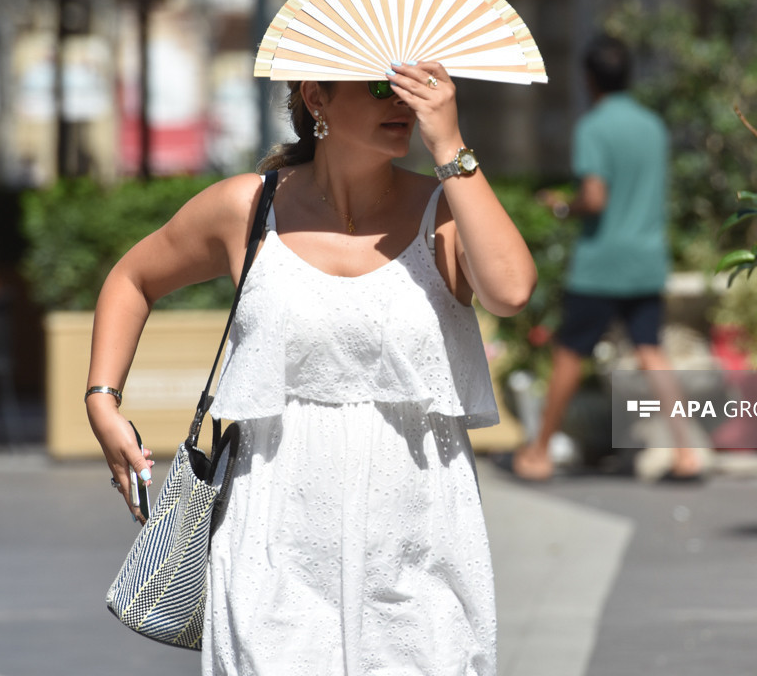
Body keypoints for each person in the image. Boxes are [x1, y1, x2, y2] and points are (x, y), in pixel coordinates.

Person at [86, 61, 536, 674]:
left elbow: (511, 291)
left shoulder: (446, 209)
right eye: (382, 85)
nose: (402, 101)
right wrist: (101, 401)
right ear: (316, 95)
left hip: (420, 530)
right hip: (275, 524)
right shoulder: (248, 208)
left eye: (416, 86)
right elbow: (132, 278)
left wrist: (451, 146)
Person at [512, 35, 704, 482]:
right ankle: (685, 453)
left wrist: (563, 206)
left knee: (569, 353)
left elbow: (595, 197)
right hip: (646, 259)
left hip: (602, 264)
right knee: (652, 351)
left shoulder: (594, 127)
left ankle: (539, 452)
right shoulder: (653, 125)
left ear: (589, 79)